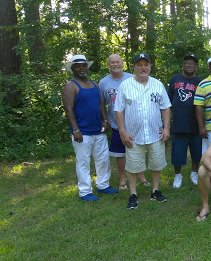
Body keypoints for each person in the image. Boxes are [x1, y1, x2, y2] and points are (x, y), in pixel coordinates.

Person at [115, 53, 171, 209]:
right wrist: (122, 131)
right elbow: (118, 110)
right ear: (133, 67)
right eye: (139, 64)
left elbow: (165, 107)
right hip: (133, 135)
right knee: (133, 166)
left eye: (146, 64)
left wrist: (166, 128)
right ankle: (133, 194)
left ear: (150, 66)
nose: (143, 68)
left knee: (156, 163)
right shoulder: (125, 85)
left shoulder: (157, 84)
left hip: (155, 134)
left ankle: (155, 191)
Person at [62, 54, 118, 201]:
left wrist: (105, 120)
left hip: (98, 129)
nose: (82, 68)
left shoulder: (94, 84)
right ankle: (85, 191)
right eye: (78, 65)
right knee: (83, 162)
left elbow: (101, 104)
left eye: (84, 65)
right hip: (82, 132)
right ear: (72, 68)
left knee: (103, 159)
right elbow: (68, 109)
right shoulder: (70, 86)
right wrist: (75, 130)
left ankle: (103, 185)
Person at [99, 54, 149, 190]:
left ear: (122, 64)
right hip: (116, 125)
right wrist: (106, 119)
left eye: (118, 62)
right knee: (120, 154)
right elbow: (101, 103)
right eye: (112, 62)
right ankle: (122, 178)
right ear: (108, 65)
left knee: (138, 150)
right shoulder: (103, 83)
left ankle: (142, 176)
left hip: (134, 123)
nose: (116, 64)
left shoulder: (131, 78)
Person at [168, 54, 202, 188]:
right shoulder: (175, 79)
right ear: (183, 65)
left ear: (196, 67)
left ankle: (194, 173)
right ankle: (178, 175)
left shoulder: (199, 82)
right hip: (178, 122)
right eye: (187, 63)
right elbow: (168, 100)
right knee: (178, 151)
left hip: (195, 123)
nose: (189, 65)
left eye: (192, 63)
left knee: (196, 151)